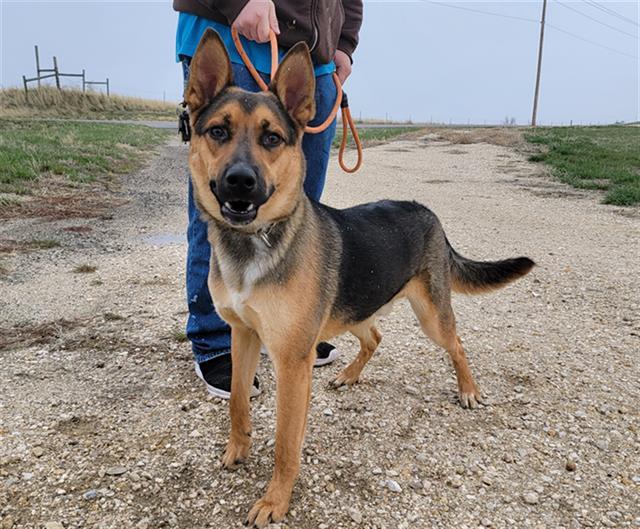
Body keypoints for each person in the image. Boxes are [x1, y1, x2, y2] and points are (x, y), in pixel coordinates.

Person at [173, 0, 363, 398]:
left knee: (298, 214)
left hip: (314, 61)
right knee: (220, 205)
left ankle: (296, 324)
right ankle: (215, 341)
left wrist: (344, 41)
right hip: (232, 32)